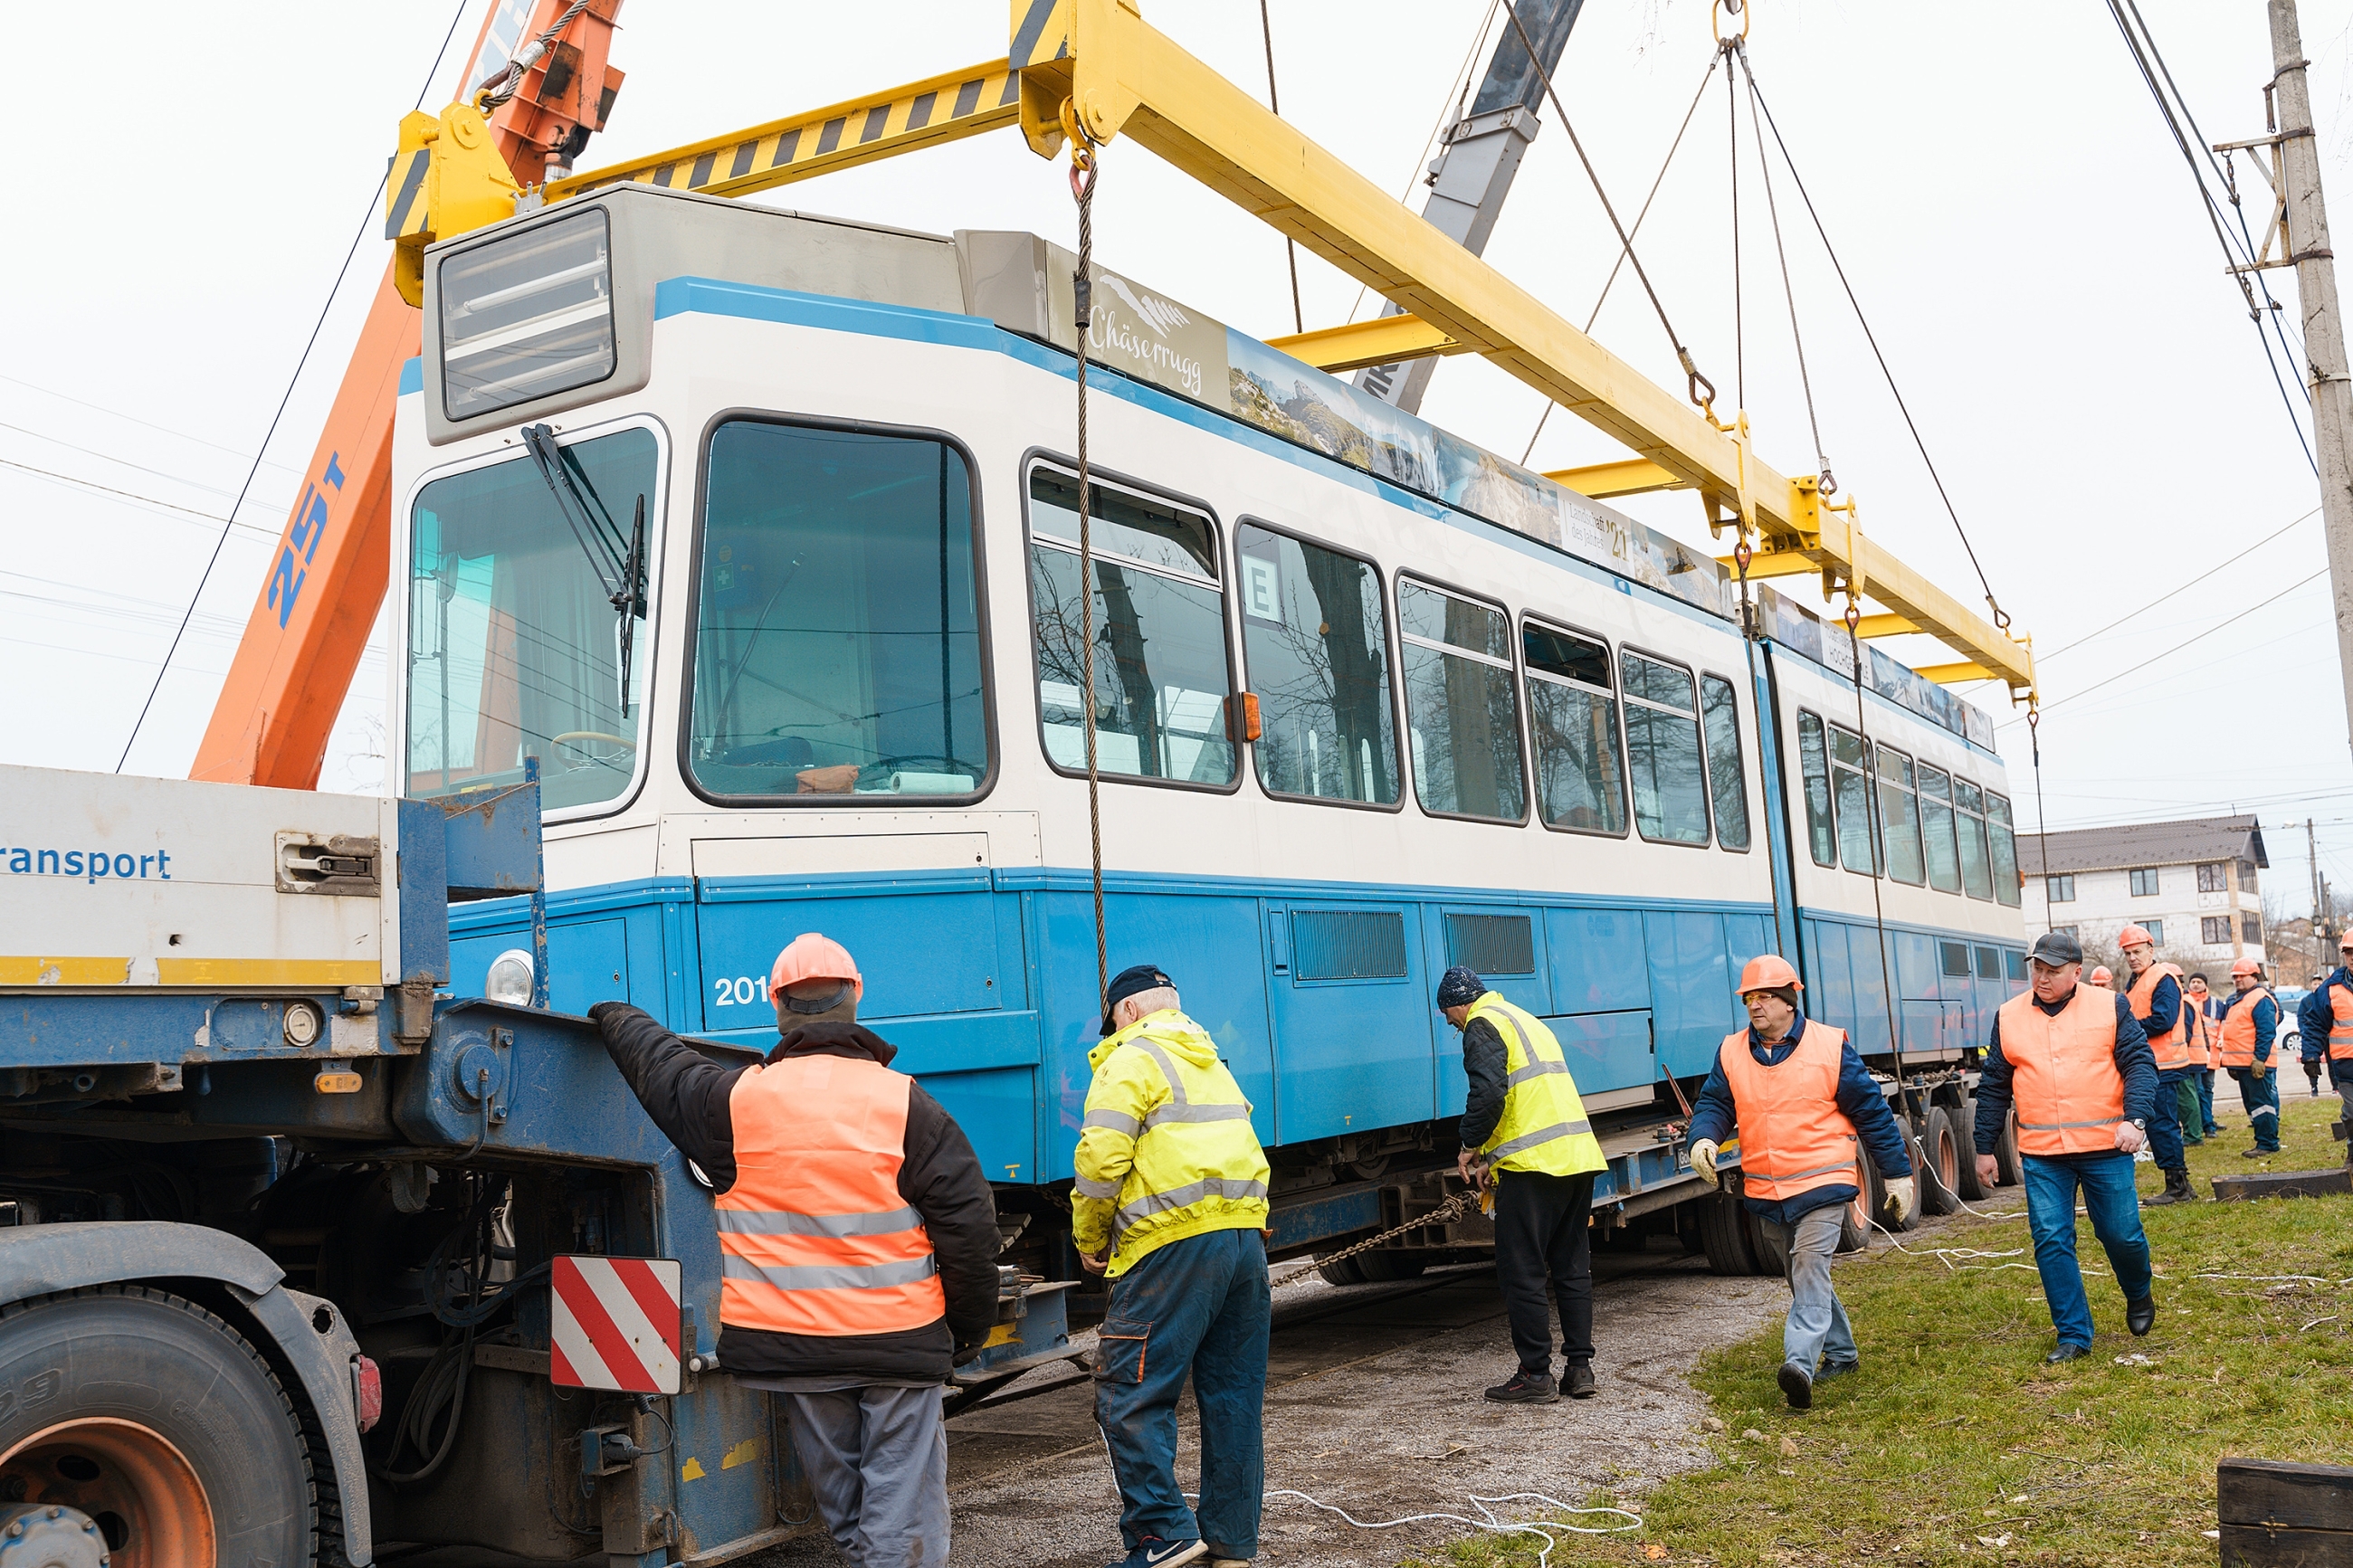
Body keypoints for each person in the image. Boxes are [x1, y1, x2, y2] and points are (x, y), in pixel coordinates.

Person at [583, 935, 999, 1568]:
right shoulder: (907, 1105)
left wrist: (617, 1014)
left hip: (796, 1348)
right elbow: (969, 1227)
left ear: (776, 1003)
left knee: (855, 1515)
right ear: (856, 996)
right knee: (901, 1512)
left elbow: (663, 1070)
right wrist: (966, 1328)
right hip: (896, 1341)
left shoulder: (736, 1102)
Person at [1073, 964, 1272, 1568]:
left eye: (1111, 1019)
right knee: (1234, 1393)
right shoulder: (1212, 1060)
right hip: (1243, 1242)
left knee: (1128, 1393)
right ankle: (1232, 1543)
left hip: (1172, 1244)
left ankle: (1162, 1533)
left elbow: (1101, 1160)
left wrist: (1090, 1236)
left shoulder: (1129, 1059)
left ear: (1127, 1011)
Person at [1685, 955, 1914, 1410]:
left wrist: (1898, 1174)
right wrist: (1704, 1137)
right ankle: (1844, 1354)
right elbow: (1715, 1102)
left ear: (1790, 1001)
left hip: (1823, 1184)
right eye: (1749, 997)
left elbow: (1871, 1112)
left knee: (1809, 1268)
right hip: (1769, 1191)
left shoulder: (1829, 1046)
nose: (1755, 1005)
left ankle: (1800, 1365)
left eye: (1765, 996)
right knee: (1800, 1276)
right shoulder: (1731, 1051)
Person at [1971, 930, 2158, 1363]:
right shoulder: (2008, 1016)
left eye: (2053, 971)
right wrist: (1984, 1147)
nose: (2042, 978)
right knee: (2051, 1239)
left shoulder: (2110, 1006)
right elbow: (1994, 1086)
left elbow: (2140, 1065)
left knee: (2121, 1234)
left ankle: (2138, 1291)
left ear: (2077, 972)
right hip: (2042, 1153)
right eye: (2037, 968)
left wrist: (2135, 1119)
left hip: (2106, 1145)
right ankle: (2073, 1334)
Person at [1438, 965, 1610, 1405]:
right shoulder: (1524, 1019)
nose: (1450, 1024)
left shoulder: (1481, 1024)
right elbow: (1524, 1098)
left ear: (1456, 1004)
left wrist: (1470, 1145)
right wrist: (1492, 1156)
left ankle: (1535, 1374)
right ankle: (1579, 1369)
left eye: (1447, 1016)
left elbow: (1491, 1093)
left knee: (1523, 1272)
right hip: (1577, 1158)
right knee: (1572, 1268)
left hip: (1534, 1167)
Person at [2117, 926, 2198, 1205]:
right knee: (2158, 1125)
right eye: (2127, 953)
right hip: (2151, 1064)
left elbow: (2163, 1020)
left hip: (2164, 1065)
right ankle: (2180, 1185)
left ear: (2151, 950)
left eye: (2137, 951)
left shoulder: (2161, 978)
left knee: (2162, 1125)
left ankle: (2178, 1187)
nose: (2132, 957)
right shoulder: (2139, 980)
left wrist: (2127, 1029)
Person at [2299, 935, 2353, 1167]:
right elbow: (2315, 1024)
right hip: (2346, 1065)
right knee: (2352, 1113)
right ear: (2343, 954)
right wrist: (2310, 1056)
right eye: (2349, 952)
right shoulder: (2330, 988)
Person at [2219, 959, 2282, 1157]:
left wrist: (2259, 1059)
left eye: (2241, 976)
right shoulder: (2239, 999)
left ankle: (2268, 1143)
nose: (2237, 979)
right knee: (2254, 1105)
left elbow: (2266, 1031)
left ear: (2254, 977)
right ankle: (2263, 1140)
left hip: (2256, 1063)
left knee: (2261, 1104)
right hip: (2244, 1064)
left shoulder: (2259, 998)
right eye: (2235, 976)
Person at [2185, 973, 2224, 1139]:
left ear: (2205, 984)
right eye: (2192, 981)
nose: (2195, 984)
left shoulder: (2215, 1004)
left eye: (2198, 982)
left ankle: (2207, 1122)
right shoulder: (2186, 1001)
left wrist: (2221, 1038)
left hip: (2211, 1053)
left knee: (2206, 1089)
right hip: (2194, 1055)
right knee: (2198, 1091)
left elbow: (2223, 1024)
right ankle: (2205, 1124)